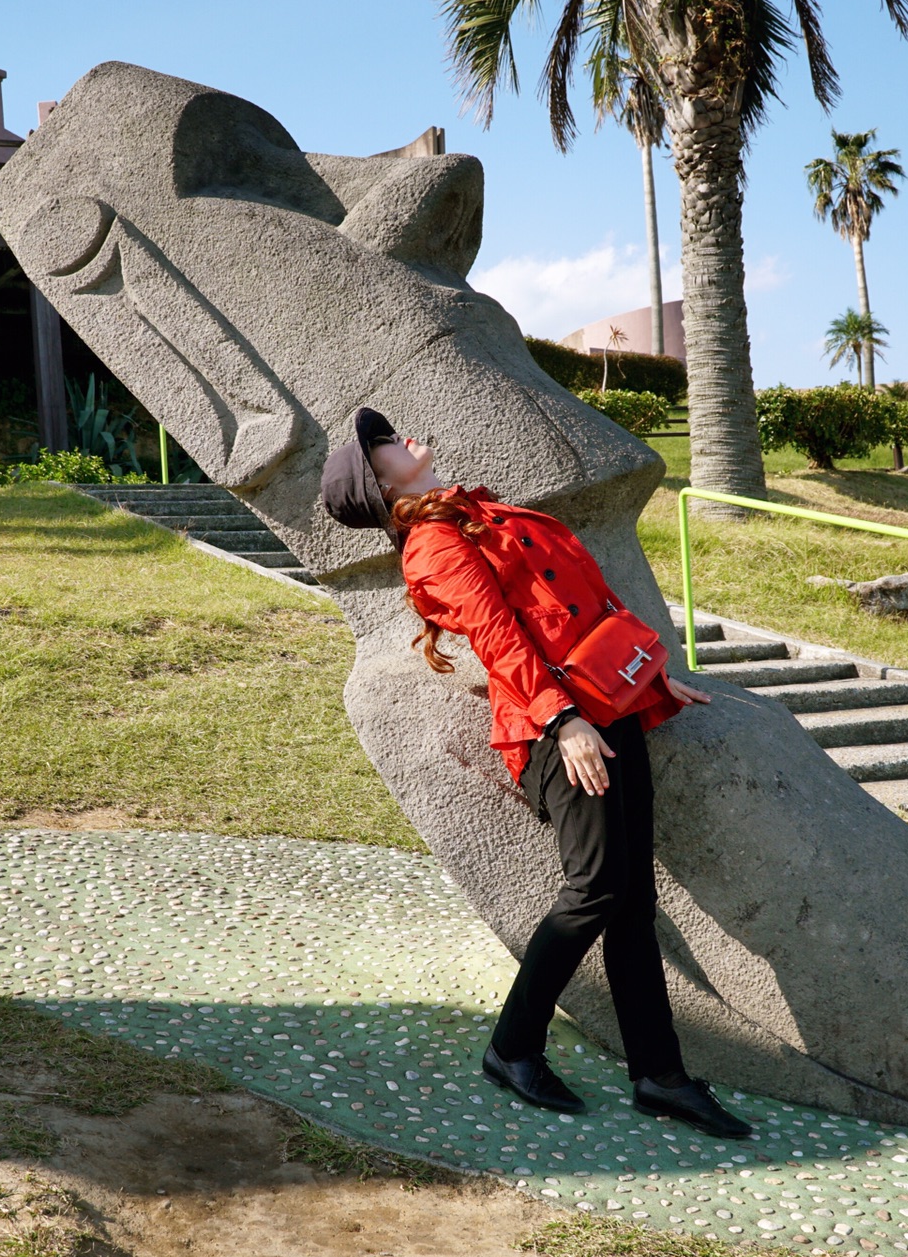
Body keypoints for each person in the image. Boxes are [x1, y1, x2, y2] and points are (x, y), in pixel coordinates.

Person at [320, 407, 752, 1139]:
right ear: (380, 485)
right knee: (597, 890)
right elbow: (498, 639)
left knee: (631, 897)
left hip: (606, 709)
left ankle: (660, 1075)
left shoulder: (480, 513)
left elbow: (579, 599)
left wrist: (645, 675)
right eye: (383, 445)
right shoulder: (433, 540)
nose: (400, 438)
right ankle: (513, 1048)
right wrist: (563, 721)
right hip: (558, 728)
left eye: (389, 433)